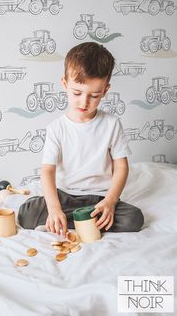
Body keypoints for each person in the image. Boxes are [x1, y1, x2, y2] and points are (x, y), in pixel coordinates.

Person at [18, 42, 144, 236]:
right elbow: (48, 170)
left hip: (99, 198)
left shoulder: (111, 124)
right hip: (65, 196)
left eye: (94, 95)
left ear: (105, 90)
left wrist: (110, 202)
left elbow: (121, 167)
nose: (84, 102)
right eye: (77, 93)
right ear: (65, 84)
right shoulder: (56, 128)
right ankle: (76, 220)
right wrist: (53, 208)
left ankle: (73, 221)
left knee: (134, 219)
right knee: (26, 215)